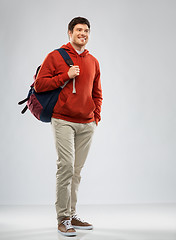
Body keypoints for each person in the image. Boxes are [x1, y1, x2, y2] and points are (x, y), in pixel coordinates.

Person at [34, 17, 103, 237]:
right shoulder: (55, 56)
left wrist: (95, 118)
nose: (83, 33)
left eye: (86, 30)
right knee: (65, 168)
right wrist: (66, 75)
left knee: (76, 171)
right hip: (63, 120)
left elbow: (97, 92)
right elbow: (40, 84)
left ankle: (72, 215)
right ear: (69, 33)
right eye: (79, 30)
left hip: (87, 124)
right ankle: (62, 218)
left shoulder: (93, 61)